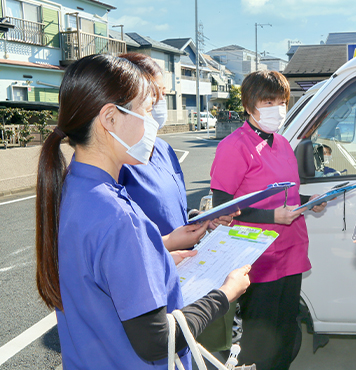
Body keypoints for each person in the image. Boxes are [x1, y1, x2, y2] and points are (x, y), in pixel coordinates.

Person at [35, 54, 251, 369]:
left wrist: (158, 260)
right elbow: (156, 340)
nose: (152, 123)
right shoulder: (118, 217)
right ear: (109, 119)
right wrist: (225, 293)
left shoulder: (71, 188)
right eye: (146, 110)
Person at [118, 52, 239, 355]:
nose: (159, 105)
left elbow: (175, 210)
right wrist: (169, 243)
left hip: (181, 272)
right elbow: (123, 240)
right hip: (147, 284)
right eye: (154, 96)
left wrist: (202, 218)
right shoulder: (120, 157)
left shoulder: (164, 148)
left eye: (164, 95)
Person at [209, 70, 326, 370]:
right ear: (249, 105)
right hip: (257, 259)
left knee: (286, 332)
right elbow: (222, 209)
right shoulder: (234, 147)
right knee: (259, 341)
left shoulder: (283, 144)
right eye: (268, 100)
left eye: (282, 101)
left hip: (291, 252)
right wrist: (271, 216)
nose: (277, 108)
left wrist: (307, 204)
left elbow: (287, 195)